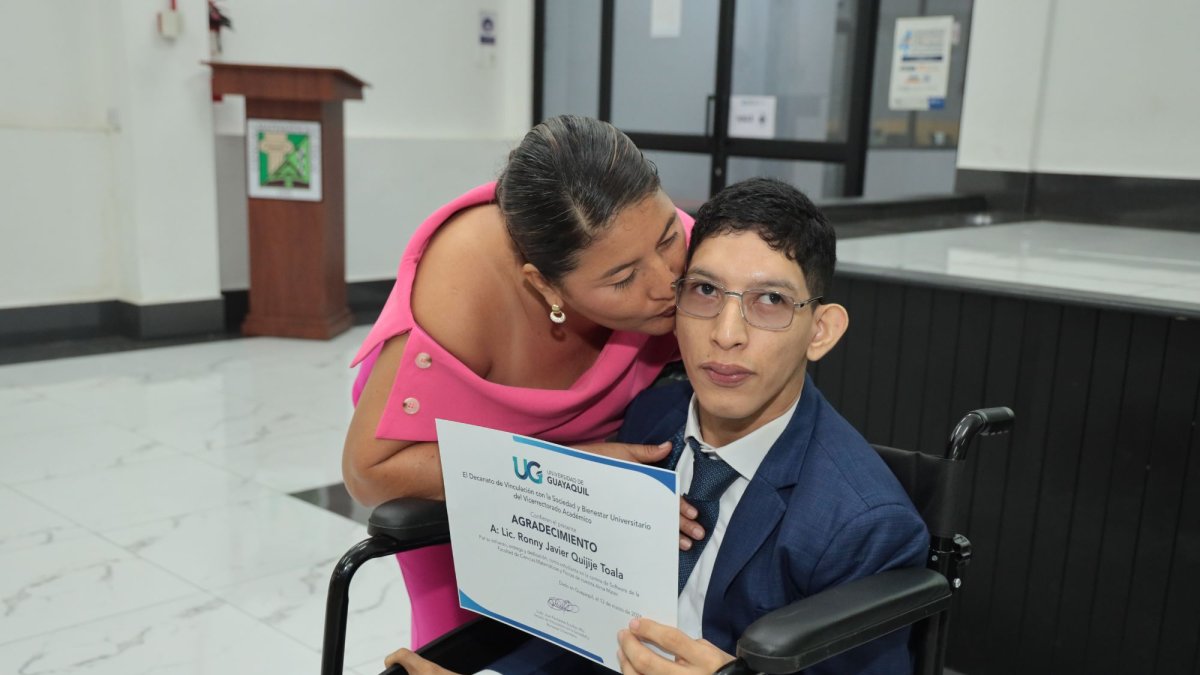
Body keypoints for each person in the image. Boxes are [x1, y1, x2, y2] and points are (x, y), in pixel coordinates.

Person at [383, 177, 929, 674]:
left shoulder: (865, 527)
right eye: (706, 292)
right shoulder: (647, 423)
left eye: (771, 301)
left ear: (821, 331)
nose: (726, 334)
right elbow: (572, 631)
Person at [343, 115, 695, 648]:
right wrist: (576, 475)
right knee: (462, 647)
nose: (668, 282)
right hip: (444, 464)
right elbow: (370, 473)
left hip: (586, 471)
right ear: (544, 286)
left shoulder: (652, 237)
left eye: (670, 237)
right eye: (622, 279)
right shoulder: (464, 283)